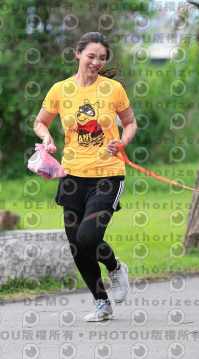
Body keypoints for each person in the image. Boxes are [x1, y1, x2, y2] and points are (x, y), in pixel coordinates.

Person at [34, 32, 137, 322]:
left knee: (89, 236)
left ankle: (115, 267)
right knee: (76, 244)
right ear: (78, 54)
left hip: (107, 175)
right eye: (91, 55)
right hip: (72, 175)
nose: (96, 62)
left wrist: (122, 142)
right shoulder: (60, 90)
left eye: (102, 58)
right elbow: (40, 122)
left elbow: (130, 123)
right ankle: (102, 303)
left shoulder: (113, 89)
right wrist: (47, 139)